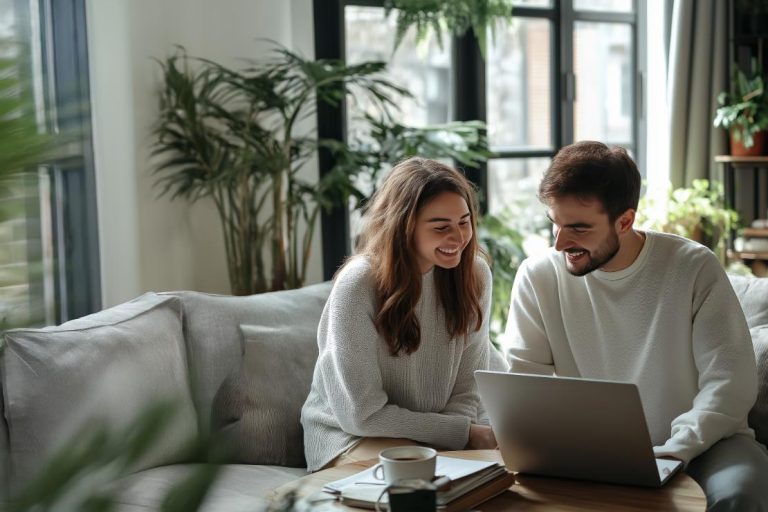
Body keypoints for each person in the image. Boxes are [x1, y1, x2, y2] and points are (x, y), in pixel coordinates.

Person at [502, 140, 768, 511]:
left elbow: (730, 384)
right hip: (592, 451)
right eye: (555, 225)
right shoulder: (538, 276)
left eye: (578, 227)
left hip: (709, 443)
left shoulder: (692, 267)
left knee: (740, 492)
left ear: (625, 221)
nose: (561, 242)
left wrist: (674, 450)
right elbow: (524, 385)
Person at [301, 156, 507, 472]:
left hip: (437, 432)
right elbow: (362, 414)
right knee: (421, 476)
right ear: (403, 226)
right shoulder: (358, 284)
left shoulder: (475, 274)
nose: (458, 238)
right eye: (441, 227)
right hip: (350, 436)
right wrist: (460, 434)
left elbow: (468, 387)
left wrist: (457, 435)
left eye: (464, 222)